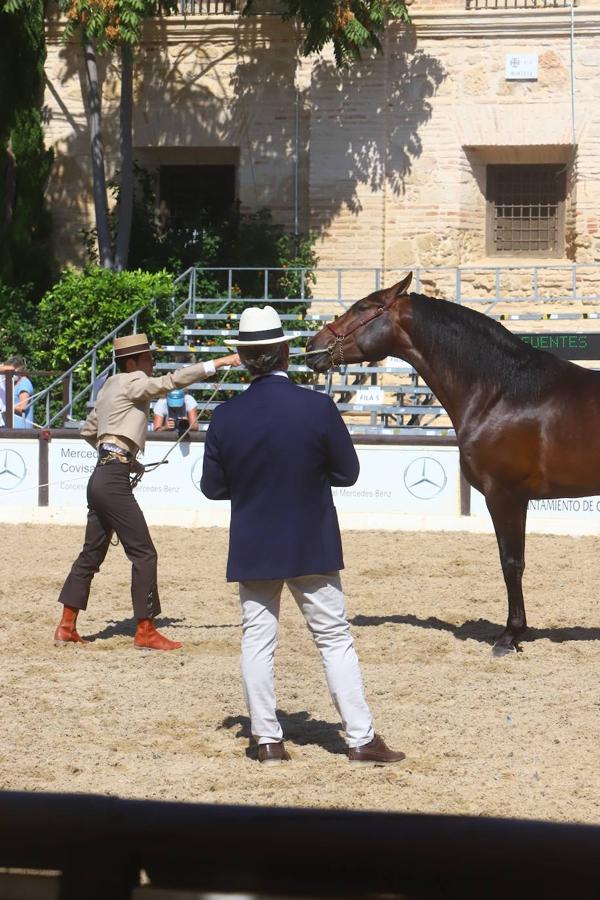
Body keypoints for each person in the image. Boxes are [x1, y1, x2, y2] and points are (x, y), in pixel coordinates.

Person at [201, 306, 406, 766]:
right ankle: (361, 739)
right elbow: (348, 473)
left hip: (254, 542)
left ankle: (267, 740)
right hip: (310, 540)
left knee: (257, 641)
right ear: (285, 354)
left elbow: (213, 488)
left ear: (243, 357)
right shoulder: (316, 407)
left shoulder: (226, 416)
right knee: (333, 639)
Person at [54, 333, 239, 651]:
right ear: (132, 363)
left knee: (90, 555)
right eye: (148, 358)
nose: (152, 363)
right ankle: (145, 630)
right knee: (144, 554)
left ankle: (66, 625)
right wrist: (219, 362)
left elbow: (88, 430)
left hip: (100, 477)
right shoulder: (133, 381)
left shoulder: (109, 387)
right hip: (113, 481)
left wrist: (124, 458)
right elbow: (171, 382)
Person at [6, 356, 34, 428]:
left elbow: (22, 408)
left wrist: (5, 406)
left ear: (19, 370)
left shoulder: (24, 383)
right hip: (12, 427)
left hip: (21, 428)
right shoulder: (15, 383)